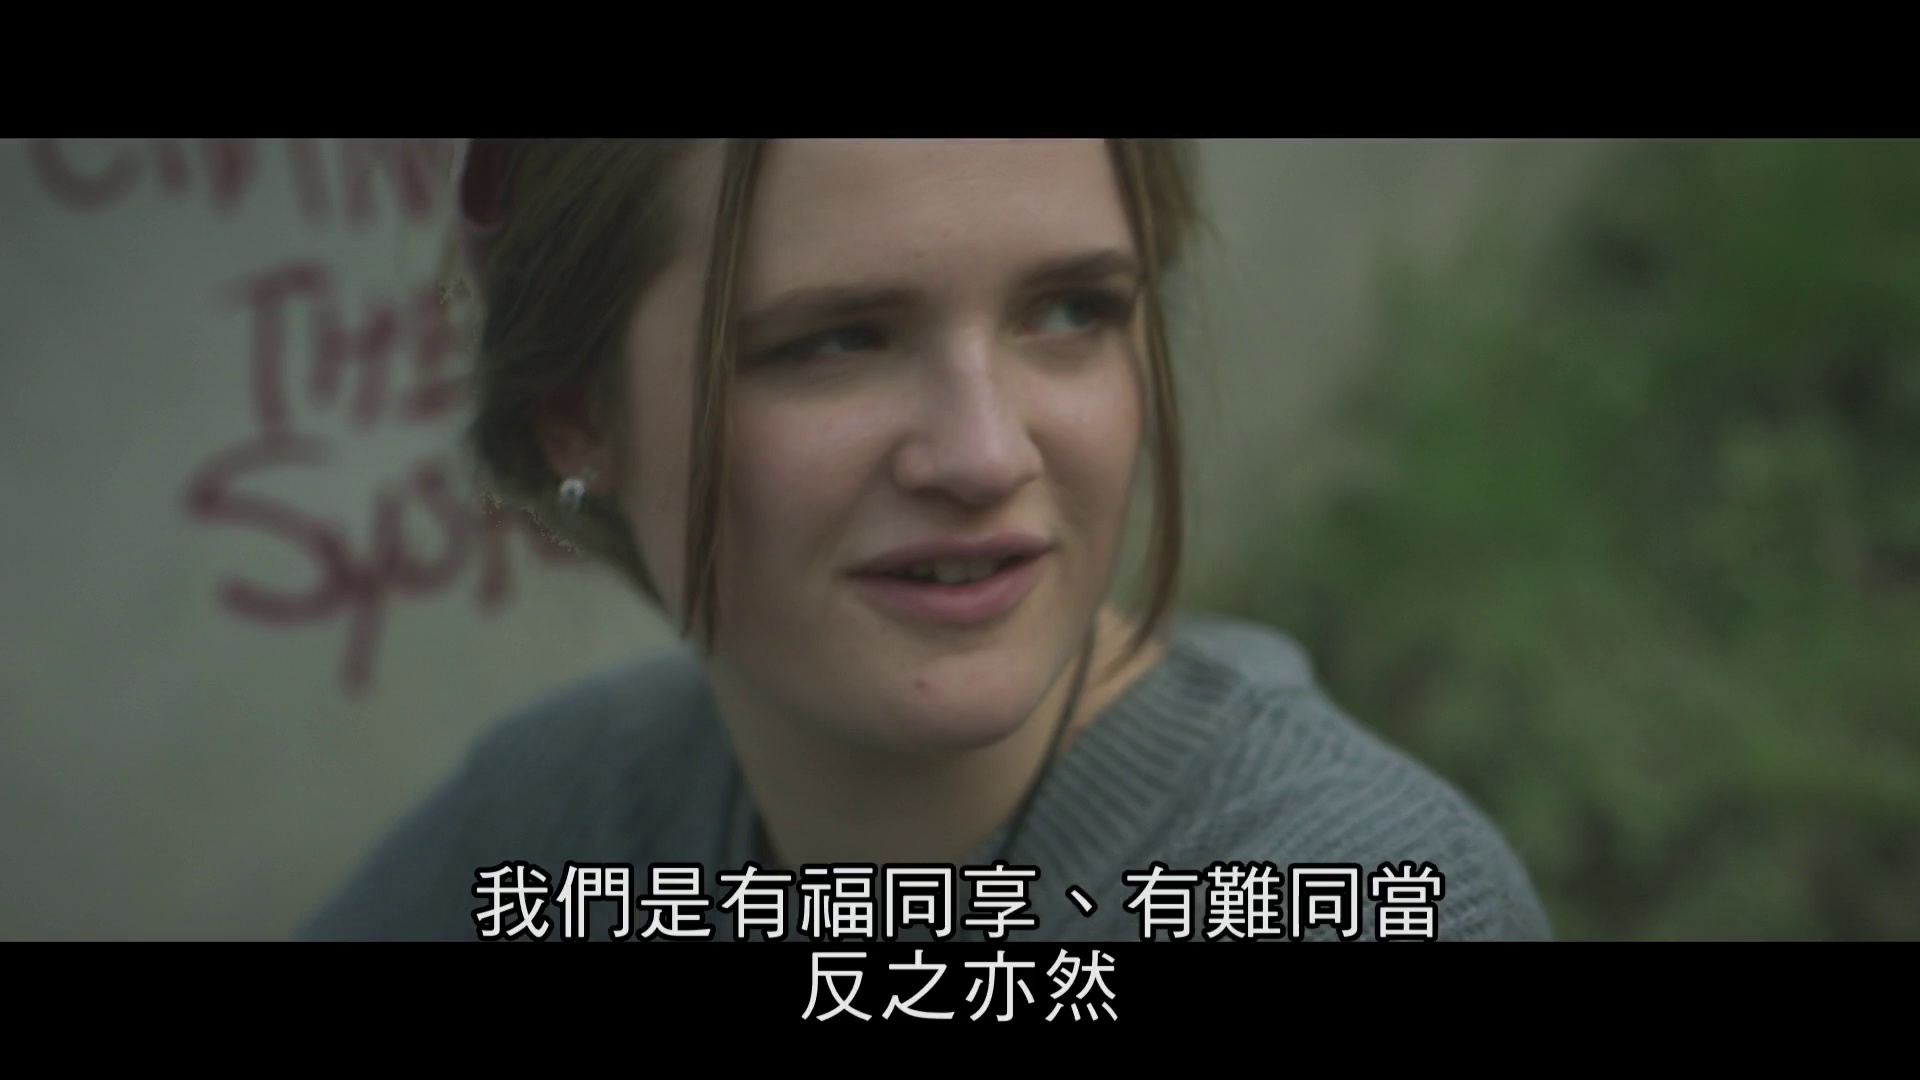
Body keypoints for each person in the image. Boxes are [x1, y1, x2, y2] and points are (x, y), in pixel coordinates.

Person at [299, 138, 1553, 943]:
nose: (986, 454)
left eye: (1071, 311)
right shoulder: (560, 820)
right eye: (837, 339)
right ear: (578, 414)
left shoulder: (1345, 891)